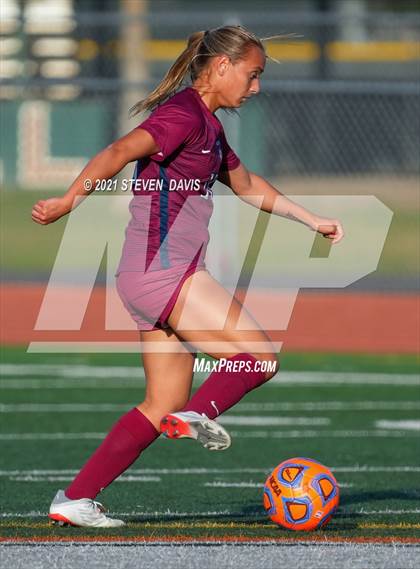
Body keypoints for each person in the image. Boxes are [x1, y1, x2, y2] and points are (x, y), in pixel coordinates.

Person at [32, 25, 344, 528]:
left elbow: (247, 186)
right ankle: (202, 413)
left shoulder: (211, 128)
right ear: (221, 67)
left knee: (162, 403)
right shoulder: (181, 116)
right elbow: (117, 153)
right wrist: (70, 200)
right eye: (253, 74)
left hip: (148, 274)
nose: (256, 87)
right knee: (258, 358)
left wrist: (310, 219)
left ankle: (75, 497)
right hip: (163, 272)